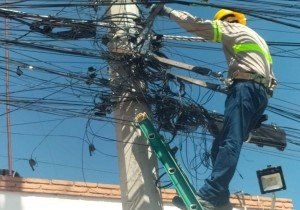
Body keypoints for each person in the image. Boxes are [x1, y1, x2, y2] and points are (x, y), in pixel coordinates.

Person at [155, 6, 277, 210]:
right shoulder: (258, 39)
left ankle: (211, 196)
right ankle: (221, 200)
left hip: (245, 88)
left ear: (228, 21)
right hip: (261, 95)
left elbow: (197, 26)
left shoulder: (232, 29)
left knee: (230, 142)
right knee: (219, 145)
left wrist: (166, 11)